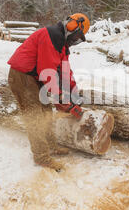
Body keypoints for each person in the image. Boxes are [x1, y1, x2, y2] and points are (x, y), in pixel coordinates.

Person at [7, 13, 90, 171]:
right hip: (22, 76)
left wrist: (73, 94)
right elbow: (48, 71)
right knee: (36, 116)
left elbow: (65, 73)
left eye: (78, 39)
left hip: (35, 77)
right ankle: (41, 157)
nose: (75, 41)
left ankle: (51, 146)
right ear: (71, 26)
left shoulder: (62, 46)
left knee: (46, 112)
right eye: (76, 36)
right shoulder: (51, 36)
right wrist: (60, 97)